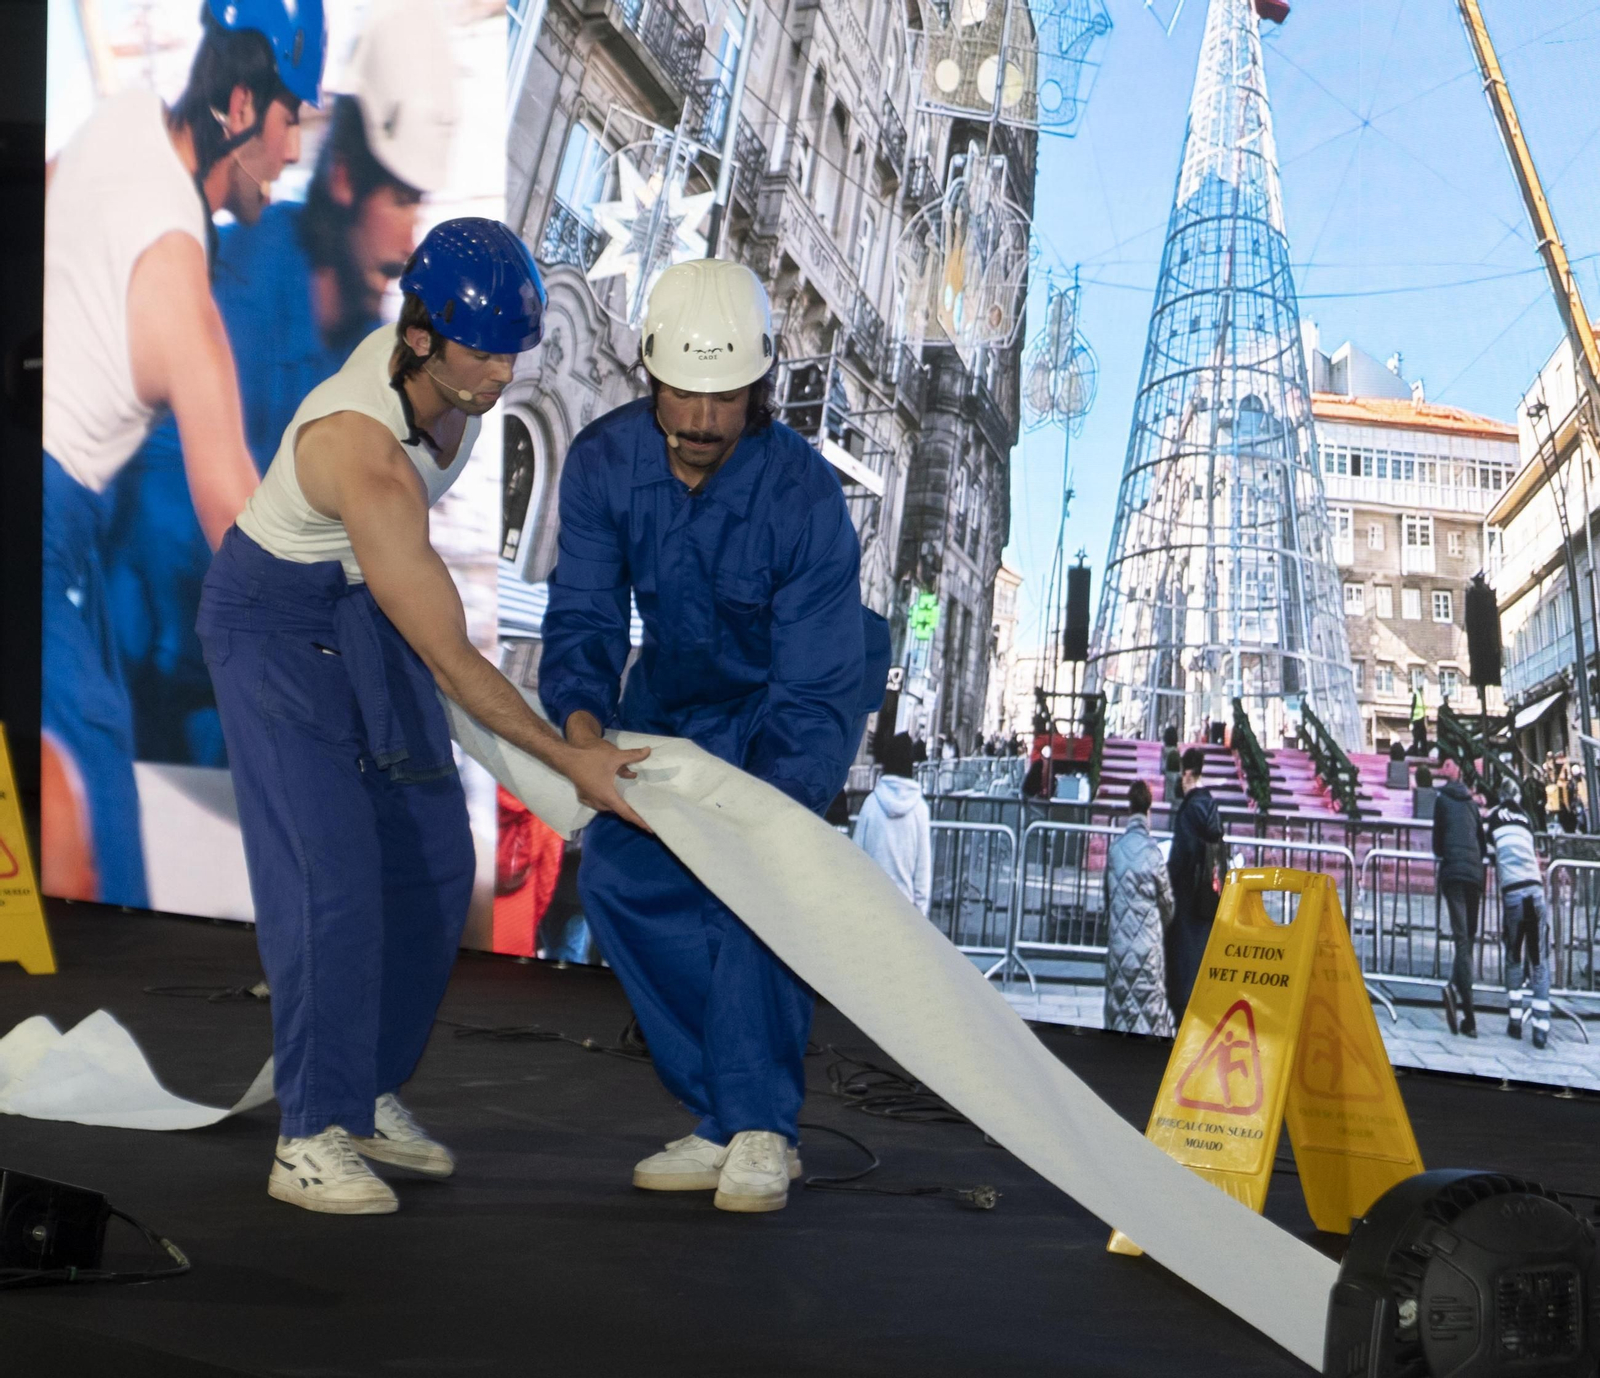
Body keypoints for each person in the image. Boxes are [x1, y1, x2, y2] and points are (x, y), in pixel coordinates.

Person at [196, 219, 649, 1215]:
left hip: (357, 599)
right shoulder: (360, 451)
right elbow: (451, 659)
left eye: (513, 351)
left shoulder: (460, 389)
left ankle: (362, 1095)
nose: (501, 373)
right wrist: (568, 760)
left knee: (437, 858)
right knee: (332, 874)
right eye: (482, 352)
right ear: (419, 338)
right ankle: (307, 1135)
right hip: (269, 621)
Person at [539, 258, 890, 1215]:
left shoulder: (804, 496)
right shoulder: (605, 462)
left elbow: (816, 687)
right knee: (617, 878)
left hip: (784, 710)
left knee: (754, 892)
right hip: (670, 711)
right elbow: (584, 618)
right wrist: (583, 738)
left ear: (760, 385)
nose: (699, 421)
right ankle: (721, 1114)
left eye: (724, 398)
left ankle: (764, 1127)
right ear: (650, 373)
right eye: (683, 395)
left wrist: (766, 811)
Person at [106, 0, 457, 767]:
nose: (410, 239)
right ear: (345, 179)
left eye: (420, 205)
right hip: (149, 697)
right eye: (401, 200)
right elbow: (171, 535)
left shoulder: (375, 364)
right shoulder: (228, 283)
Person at [42, 0, 326, 907]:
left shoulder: (114, 123)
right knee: (94, 866)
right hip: (43, 546)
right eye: (290, 119)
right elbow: (242, 528)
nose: (294, 151)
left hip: (63, 548)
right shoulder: (180, 283)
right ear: (240, 106)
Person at [1103, 780, 1175, 1037]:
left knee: (1120, 1013)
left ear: (1129, 808)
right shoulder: (1154, 853)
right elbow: (1167, 905)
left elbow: (1108, 899)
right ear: (1149, 810)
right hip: (1148, 951)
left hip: (1120, 948)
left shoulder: (1115, 850)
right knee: (1150, 1018)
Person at [1485, 778, 1551, 1049]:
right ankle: (1541, 1028)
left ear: (1501, 796)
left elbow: (1490, 851)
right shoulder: (1526, 819)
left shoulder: (1493, 818)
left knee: (1513, 955)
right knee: (1538, 959)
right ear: (1518, 797)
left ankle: (1514, 1020)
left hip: (1512, 891)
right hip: (1534, 890)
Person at [1165, 745, 1224, 1022]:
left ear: (1187, 773)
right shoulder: (1211, 807)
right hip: (1207, 898)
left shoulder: (1189, 811)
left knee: (1182, 963)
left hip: (1186, 899)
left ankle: (1183, 1016)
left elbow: (1181, 858)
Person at [1431, 756, 1485, 1038]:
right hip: (1474, 875)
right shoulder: (1473, 805)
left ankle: (1470, 1016)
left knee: (1462, 940)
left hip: (1453, 872)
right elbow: (1482, 844)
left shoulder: (1441, 801)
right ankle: (1455, 991)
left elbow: (1437, 844)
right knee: (1468, 940)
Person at [853, 732, 932, 916]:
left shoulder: (871, 803)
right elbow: (923, 869)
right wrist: (920, 914)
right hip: (904, 910)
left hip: (869, 905)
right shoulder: (919, 809)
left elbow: (855, 857)